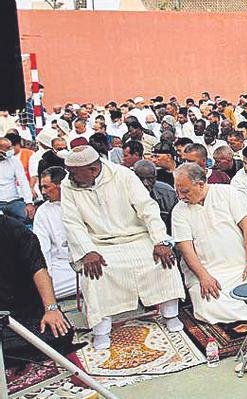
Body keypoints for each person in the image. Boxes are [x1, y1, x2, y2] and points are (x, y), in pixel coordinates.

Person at [61, 146, 184, 350]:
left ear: (92, 169)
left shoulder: (123, 174)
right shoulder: (68, 185)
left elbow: (147, 208)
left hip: (135, 236)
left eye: (73, 172)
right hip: (98, 243)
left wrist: (160, 240)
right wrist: (87, 251)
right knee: (95, 272)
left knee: (164, 260)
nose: (69, 176)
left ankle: (171, 315)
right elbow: (71, 222)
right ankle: (101, 330)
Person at [171, 163, 247, 324]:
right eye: (177, 191)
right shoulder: (179, 211)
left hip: (240, 267)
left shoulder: (227, 192)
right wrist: (204, 277)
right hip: (207, 272)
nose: (180, 196)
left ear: (201, 184)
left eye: (185, 191)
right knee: (208, 308)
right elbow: (186, 249)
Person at [1, 213, 78, 366]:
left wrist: (51, 309)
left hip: (27, 309)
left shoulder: (14, 228)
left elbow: (38, 269)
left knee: (59, 333)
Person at [31, 167, 77, 298]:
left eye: (46, 187)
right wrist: (47, 275)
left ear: (60, 186)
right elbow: (42, 248)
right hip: (60, 266)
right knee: (40, 291)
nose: (43, 192)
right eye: (41, 187)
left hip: (87, 262)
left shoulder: (80, 201)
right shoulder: (43, 212)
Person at [132, 160, 178, 235]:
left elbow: (174, 226)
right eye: (141, 179)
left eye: (150, 179)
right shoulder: (124, 193)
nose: (146, 183)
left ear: (155, 178)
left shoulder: (168, 194)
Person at [0, 136, 35, 222]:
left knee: (27, 217)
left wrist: (29, 203)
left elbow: (23, 182)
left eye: (11, 146)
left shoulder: (14, 160)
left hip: (14, 201)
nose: (11, 149)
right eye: (8, 148)